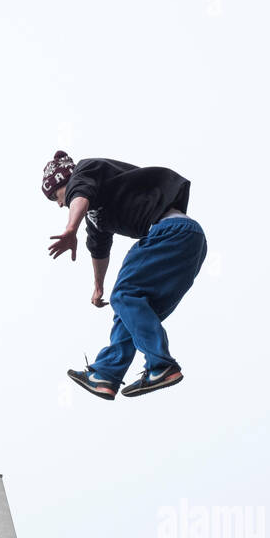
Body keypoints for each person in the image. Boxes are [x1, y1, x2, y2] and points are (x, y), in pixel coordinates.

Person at [42, 151, 207, 399]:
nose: (59, 204)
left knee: (126, 294)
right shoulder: (96, 215)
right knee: (131, 311)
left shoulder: (84, 172)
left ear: (64, 182)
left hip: (172, 232)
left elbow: (79, 194)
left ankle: (161, 365)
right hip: (188, 244)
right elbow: (98, 249)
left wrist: (70, 228)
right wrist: (99, 287)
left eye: (56, 197)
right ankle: (106, 374)